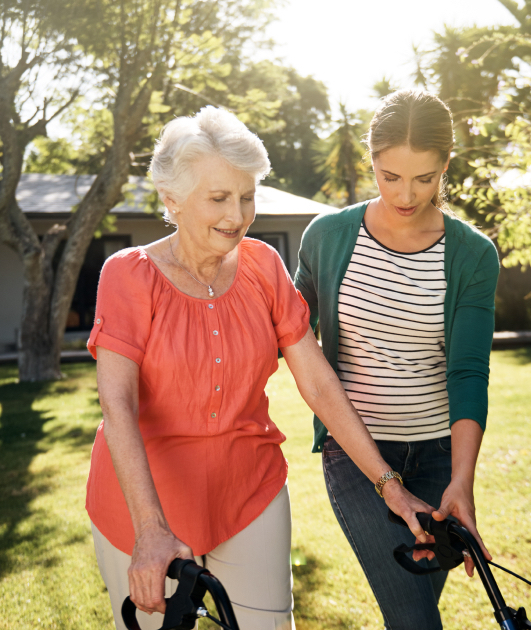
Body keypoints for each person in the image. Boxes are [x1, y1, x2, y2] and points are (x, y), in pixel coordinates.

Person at [86, 106, 430, 630]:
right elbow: (118, 403)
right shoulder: (128, 276)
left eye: (247, 196)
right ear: (171, 199)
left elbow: (316, 380)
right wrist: (150, 528)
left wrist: (390, 484)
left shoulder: (264, 265)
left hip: (249, 492)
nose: (237, 214)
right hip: (144, 502)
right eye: (219, 198)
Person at [294, 89, 500, 630]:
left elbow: (468, 371)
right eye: (390, 176)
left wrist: (462, 479)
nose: (406, 194)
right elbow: (285, 332)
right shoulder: (327, 237)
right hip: (356, 454)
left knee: (414, 615)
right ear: (371, 162)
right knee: (414, 620)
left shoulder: (474, 254)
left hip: (437, 456)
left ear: (446, 166)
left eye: (425, 178)